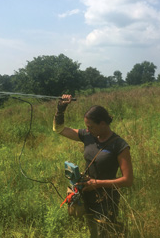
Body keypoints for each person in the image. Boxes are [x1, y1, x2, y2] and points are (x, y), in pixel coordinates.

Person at [53, 94, 133, 237]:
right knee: (93, 232)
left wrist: (97, 183)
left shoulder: (119, 145)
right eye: (86, 127)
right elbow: (60, 129)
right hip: (87, 195)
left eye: (90, 126)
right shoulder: (89, 136)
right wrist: (61, 109)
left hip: (106, 200)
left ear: (103, 124)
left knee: (105, 233)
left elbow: (127, 180)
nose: (87, 130)